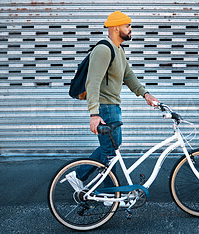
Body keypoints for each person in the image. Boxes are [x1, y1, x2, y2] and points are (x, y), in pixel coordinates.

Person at [65, 11, 159, 191]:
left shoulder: (118, 50)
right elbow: (93, 82)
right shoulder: (103, 50)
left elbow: (128, 75)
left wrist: (145, 94)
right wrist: (93, 113)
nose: (130, 29)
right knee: (110, 153)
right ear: (115, 28)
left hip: (113, 107)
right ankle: (108, 192)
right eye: (127, 26)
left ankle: (79, 176)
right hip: (105, 108)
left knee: (112, 149)